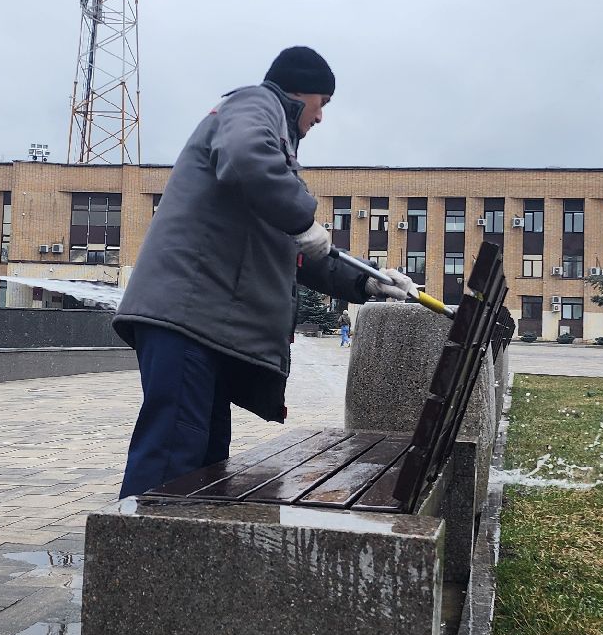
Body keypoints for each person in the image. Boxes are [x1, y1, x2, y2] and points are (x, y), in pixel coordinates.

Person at [112, 46, 419, 497]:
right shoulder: (255, 104)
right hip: (184, 316)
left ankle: (183, 560)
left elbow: (296, 251)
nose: (320, 118)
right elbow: (246, 155)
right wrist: (300, 217)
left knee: (204, 464)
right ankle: (131, 563)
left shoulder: (272, 158)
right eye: (323, 105)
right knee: (171, 461)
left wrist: (368, 280)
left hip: (202, 325)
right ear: (303, 92)